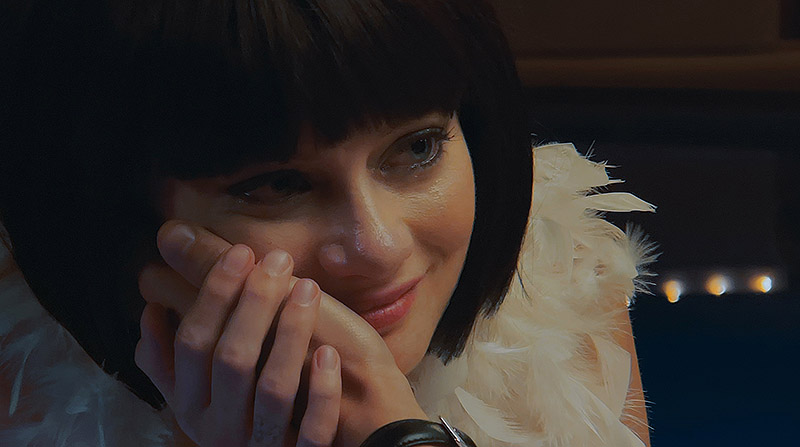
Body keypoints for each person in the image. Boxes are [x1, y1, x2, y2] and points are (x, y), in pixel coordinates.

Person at [0, 0, 655, 445]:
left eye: (418, 148)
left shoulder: (568, 275)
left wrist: (398, 436)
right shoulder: (19, 392)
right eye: (279, 185)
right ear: (125, 216)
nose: (378, 244)